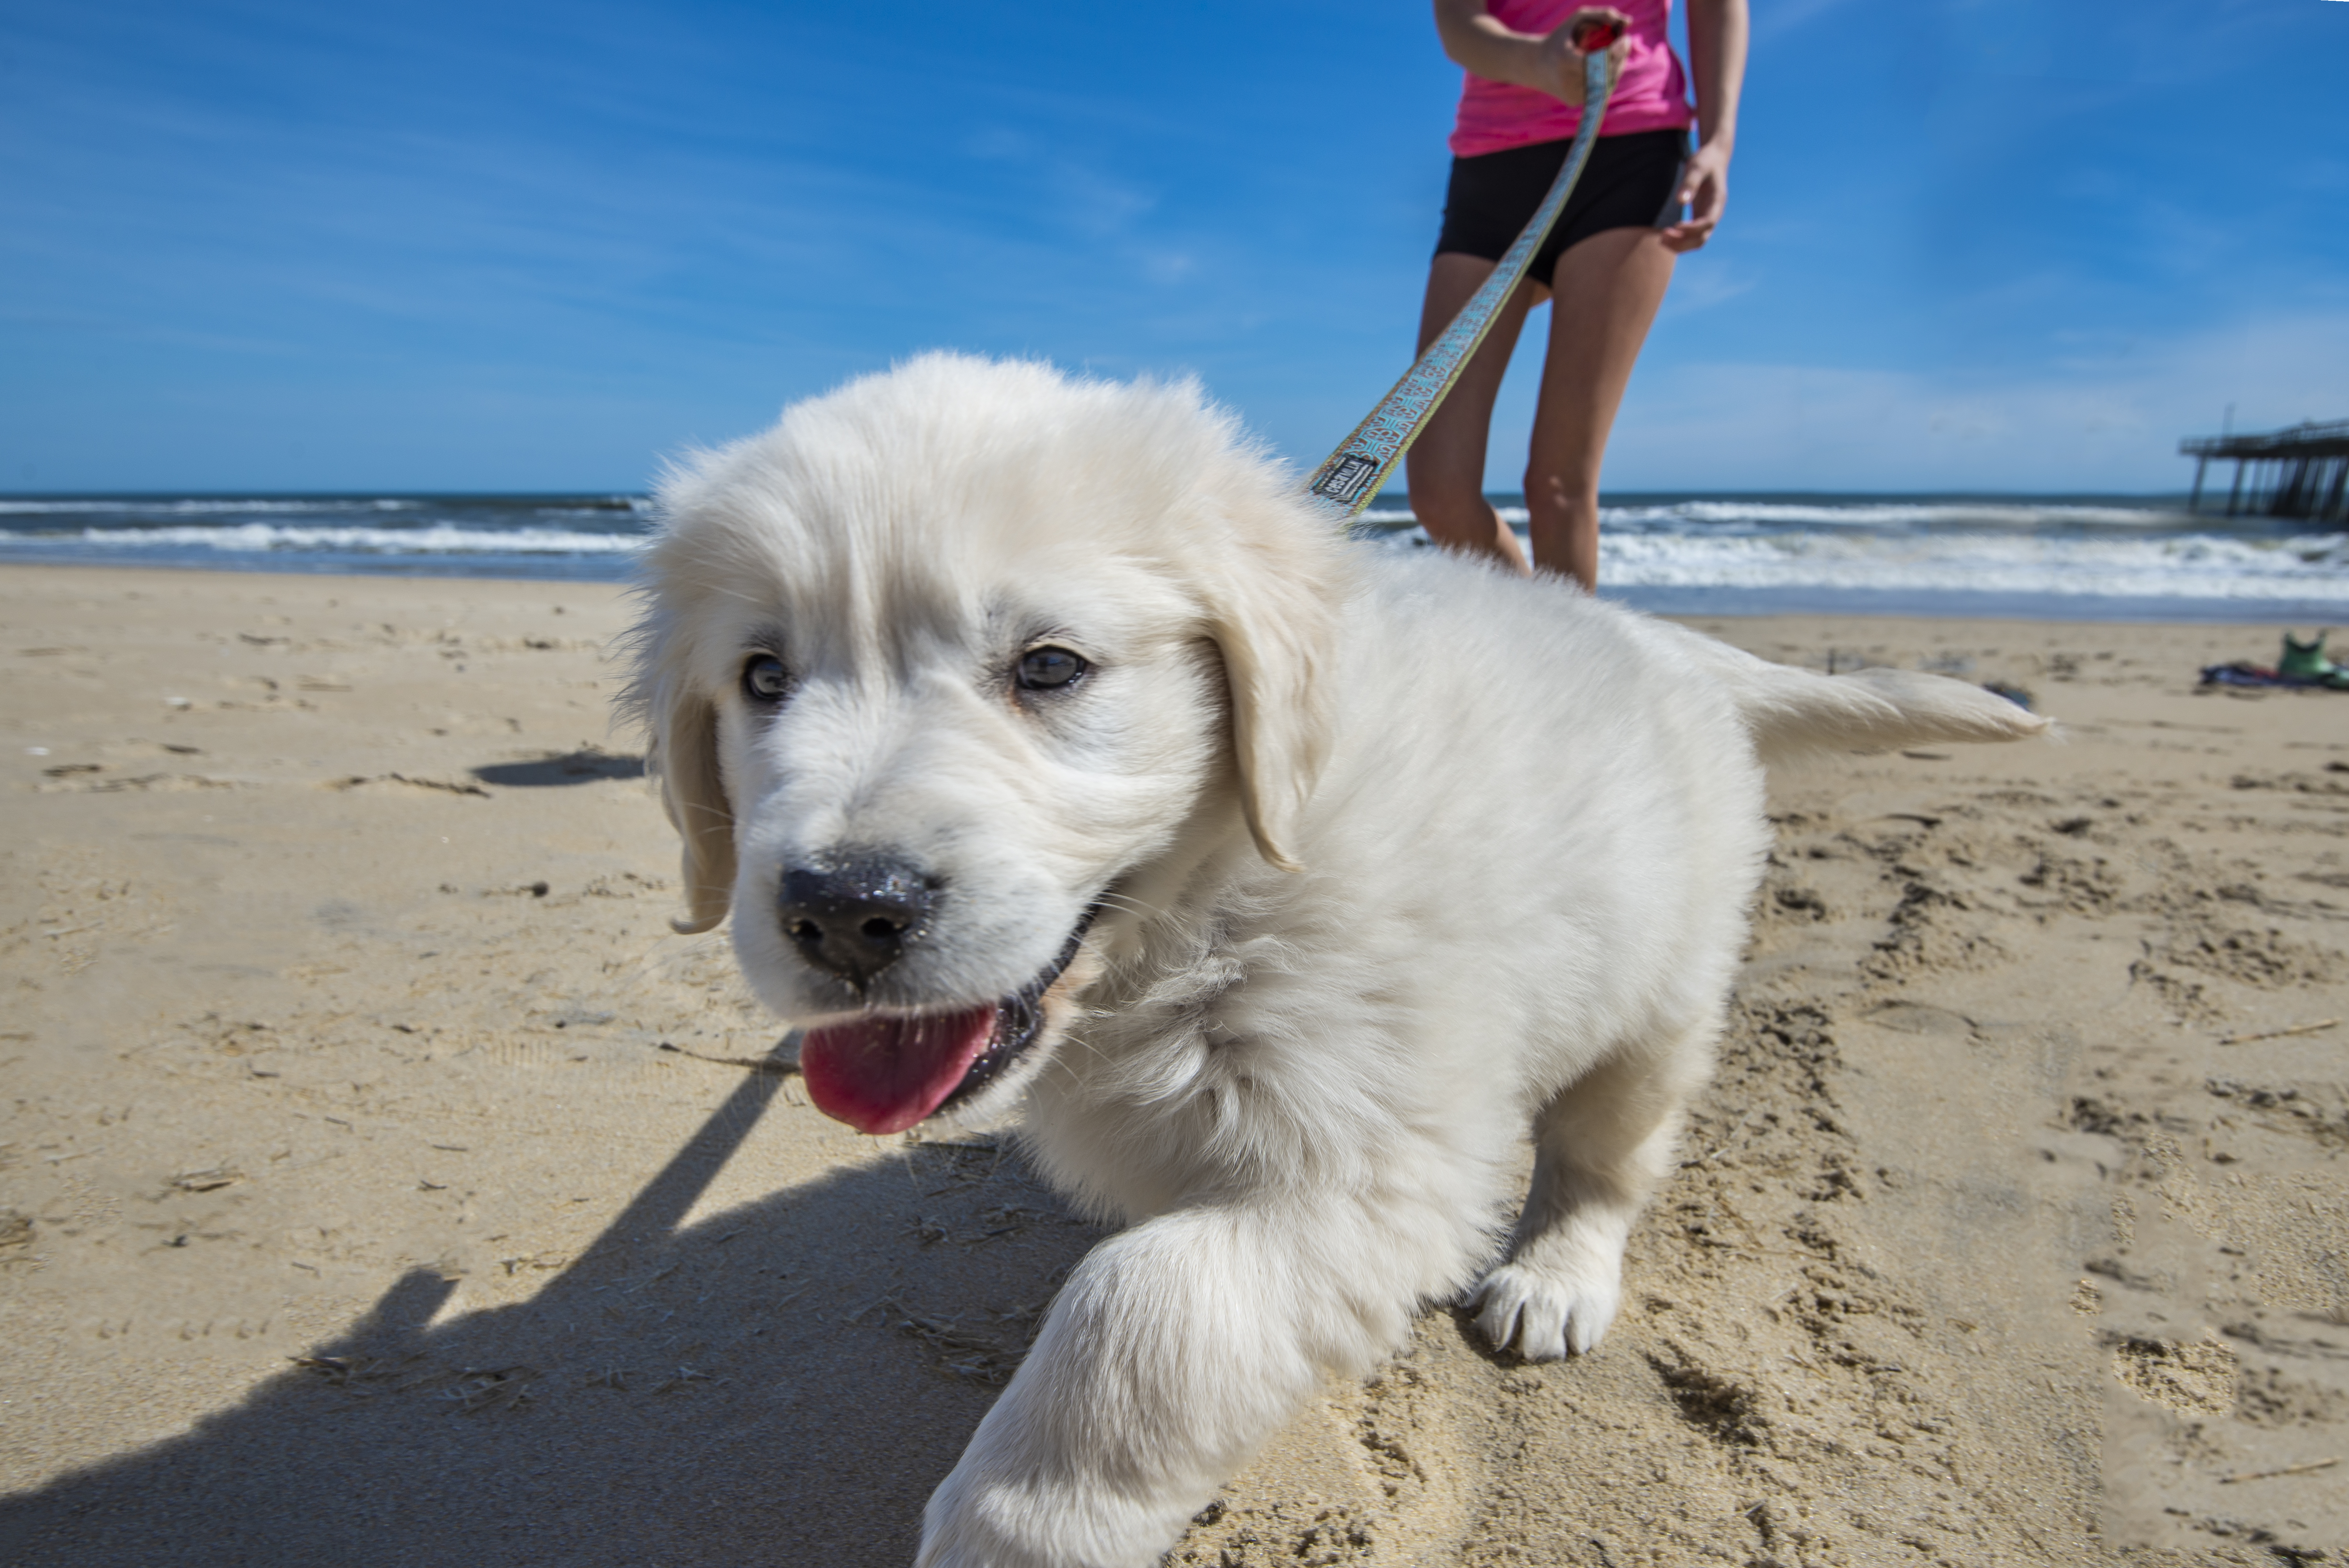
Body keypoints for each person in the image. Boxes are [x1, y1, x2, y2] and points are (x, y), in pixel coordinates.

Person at [1406, 0, 1747, 589]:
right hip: (1492, 166)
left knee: (1558, 486)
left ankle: (1569, 676)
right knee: (1438, 490)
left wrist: (1719, 141)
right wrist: (1539, 61)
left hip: (1630, 150)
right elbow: (1458, 25)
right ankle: (1548, 651)